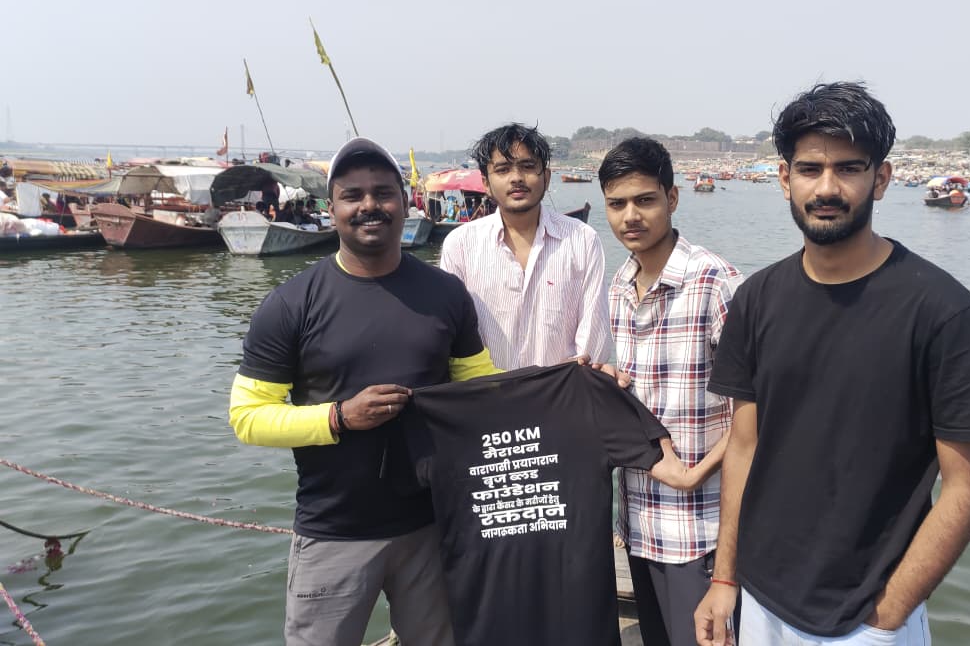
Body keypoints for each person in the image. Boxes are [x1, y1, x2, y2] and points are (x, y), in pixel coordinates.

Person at [694, 82, 970, 646]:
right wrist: (725, 578)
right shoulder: (757, 299)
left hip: (867, 617)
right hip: (761, 598)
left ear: (881, 179)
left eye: (848, 168)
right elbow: (743, 447)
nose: (827, 187)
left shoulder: (942, 310)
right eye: (810, 168)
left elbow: (969, 484)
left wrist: (889, 611)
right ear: (784, 178)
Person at [229, 136, 504, 646]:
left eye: (383, 192)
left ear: (405, 202)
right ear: (331, 208)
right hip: (334, 529)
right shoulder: (290, 304)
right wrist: (339, 417)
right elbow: (248, 417)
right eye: (352, 195)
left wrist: (567, 384)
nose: (369, 205)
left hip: (430, 525)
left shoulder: (445, 293)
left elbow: (481, 388)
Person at [599, 136, 743, 646]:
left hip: (702, 530)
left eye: (645, 200)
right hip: (638, 523)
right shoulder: (618, 286)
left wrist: (697, 473)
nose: (630, 216)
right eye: (617, 204)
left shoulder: (715, 282)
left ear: (672, 198)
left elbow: (760, 408)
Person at [440, 123, 611, 370]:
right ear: (486, 183)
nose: (517, 178)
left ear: (547, 177)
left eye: (528, 166)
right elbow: (453, 336)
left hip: (563, 391)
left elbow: (593, 343)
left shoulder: (582, 240)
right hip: (486, 392)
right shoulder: (460, 245)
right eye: (503, 169)